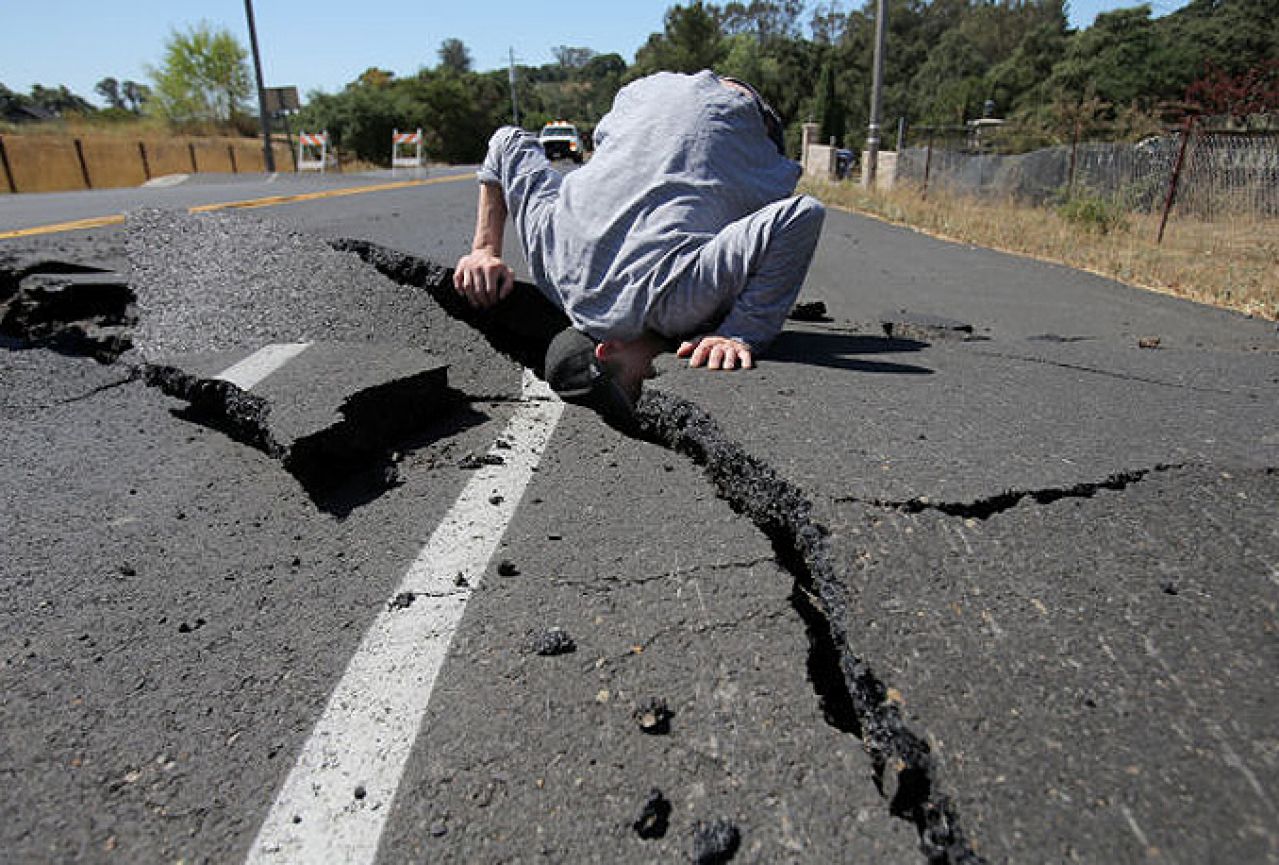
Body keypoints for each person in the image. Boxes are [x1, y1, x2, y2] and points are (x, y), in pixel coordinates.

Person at [453, 69, 825, 424]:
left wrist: (741, 332)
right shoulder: (551, 266)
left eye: (635, 384)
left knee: (744, 218)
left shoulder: (673, 304)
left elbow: (802, 214)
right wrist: (485, 250)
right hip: (644, 96)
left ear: (608, 350)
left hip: (743, 115)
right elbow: (507, 141)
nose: (649, 382)